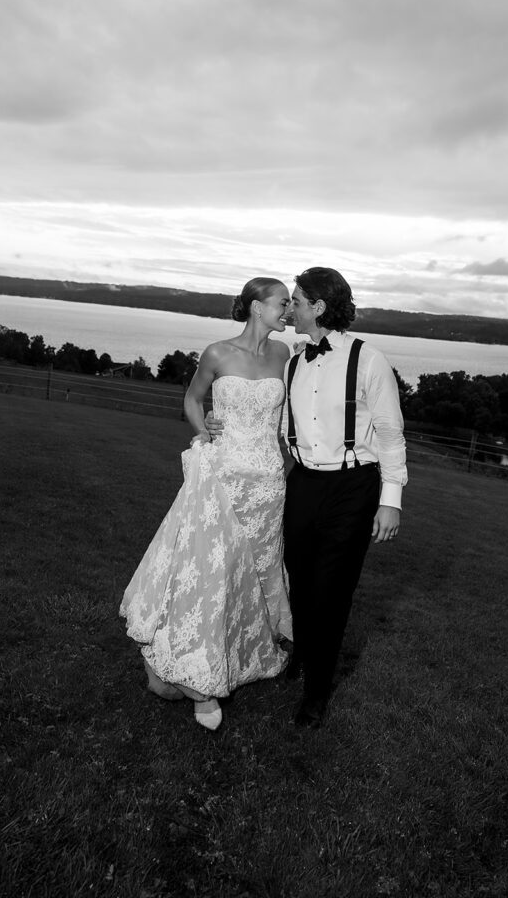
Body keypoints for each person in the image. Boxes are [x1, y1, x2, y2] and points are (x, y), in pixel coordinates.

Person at [207, 267, 407, 728]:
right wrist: (221, 423)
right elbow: (273, 422)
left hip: (353, 487)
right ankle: (300, 655)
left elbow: (392, 434)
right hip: (301, 483)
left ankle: (317, 691)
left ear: (318, 307)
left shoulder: (368, 360)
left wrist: (390, 499)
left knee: (331, 591)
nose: (290, 307)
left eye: (296, 300)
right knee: (296, 576)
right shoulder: (292, 361)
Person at [120, 277, 293, 731]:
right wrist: (204, 428)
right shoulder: (217, 352)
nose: (289, 309)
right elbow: (193, 400)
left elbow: (281, 422)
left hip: (268, 485)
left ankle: (241, 654)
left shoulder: (283, 355)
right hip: (224, 477)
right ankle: (199, 679)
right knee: (213, 570)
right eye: (282, 302)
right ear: (257, 307)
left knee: (254, 569)